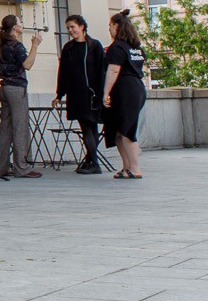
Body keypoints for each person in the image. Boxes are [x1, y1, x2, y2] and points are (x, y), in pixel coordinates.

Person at [0, 13, 42, 179]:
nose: (22, 24)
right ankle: (22, 167)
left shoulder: (3, 44)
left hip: (4, 87)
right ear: (15, 27)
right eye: (20, 22)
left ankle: (0, 167)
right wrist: (35, 45)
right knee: (20, 127)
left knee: (5, 127)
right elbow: (27, 65)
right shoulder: (16, 45)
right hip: (16, 88)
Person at [55, 15, 107, 174]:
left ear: (82, 27)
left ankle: (93, 162)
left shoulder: (95, 46)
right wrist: (59, 94)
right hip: (76, 94)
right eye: (68, 28)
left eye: (73, 27)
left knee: (91, 127)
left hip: (92, 94)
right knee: (86, 127)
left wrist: (102, 93)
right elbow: (62, 72)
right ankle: (91, 161)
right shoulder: (68, 48)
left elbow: (102, 71)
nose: (70, 31)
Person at [102, 9, 147, 178]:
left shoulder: (117, 47)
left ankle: (134, 168)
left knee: (127, 130)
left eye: (110, 25)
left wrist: (105, 93)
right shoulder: (136, 48)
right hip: (137, 88)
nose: (109, 29)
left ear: (117, 26)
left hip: (125, 90)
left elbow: (113, 71)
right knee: (119, 131)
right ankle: (126, 168)